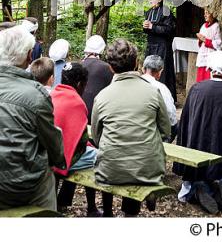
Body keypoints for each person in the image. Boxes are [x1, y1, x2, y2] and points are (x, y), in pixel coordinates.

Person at [91, 39, 171, 217]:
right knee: (137, 156)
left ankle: (108, 213)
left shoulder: (102, 97)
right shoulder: (153, 92)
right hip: (147, 169)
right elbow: (166, 130)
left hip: (110, 170)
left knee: (112, 155)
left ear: (110, 68)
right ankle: (131, 213)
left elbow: (96, 137)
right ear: (137, 63)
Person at [173, 50, 222, 215]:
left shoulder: (197, 90)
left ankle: (200, 189)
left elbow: (187, 126)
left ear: (209, 67)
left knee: (197, 179)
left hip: (199, 157)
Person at [0, 26, 65, 211]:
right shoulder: (35, 94)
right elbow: (53, 145)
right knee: (48, 177)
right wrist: (58, 161)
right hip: (19, 188)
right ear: (30, 56)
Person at [51, 62, 101, 216]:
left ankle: (59, 202)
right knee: (101, 156)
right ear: (80, 84)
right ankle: (92, 208)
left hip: (49, 153)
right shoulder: (77, 102)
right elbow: (80, 140)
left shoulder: (52, 94)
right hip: (63, 158)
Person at [143, 0, 177, 102]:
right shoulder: (148, 12)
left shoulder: (166, 11)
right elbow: (148, 30)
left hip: (162, 47)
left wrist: (153, 27)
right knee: (149, 69)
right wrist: (145, 27)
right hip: (151, 46)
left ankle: (164, 98)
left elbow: (169, 30)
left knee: (162, 71)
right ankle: (148, 95)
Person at [142, 54, 178, 142]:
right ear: (160, 72)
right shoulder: (162, 89)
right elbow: (171, 115)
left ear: (143, 69)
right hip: (153, 134)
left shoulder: (132, 82)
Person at [82, 35, 113, 123]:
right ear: (101, 50)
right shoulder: (106, 67)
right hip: (96, 114)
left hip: (79, 111)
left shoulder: (79, 65)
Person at [196, 8, 222, 82]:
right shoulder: (203, 26)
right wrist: (200, 40)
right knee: (201, 78)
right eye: (205, 13)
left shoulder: (216, 26)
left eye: (207, 13)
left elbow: (218, 42)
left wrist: (205, 40)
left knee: (209, 78)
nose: (205, 15)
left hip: (211, 56)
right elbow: (200, 43)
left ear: (213, 14)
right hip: (202, 55)